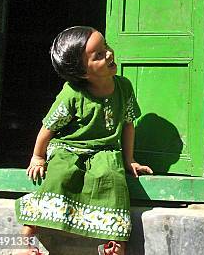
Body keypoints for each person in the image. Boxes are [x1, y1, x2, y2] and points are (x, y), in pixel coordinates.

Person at [15, 26, 153, 255]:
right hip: (69, 147)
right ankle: (27, 240)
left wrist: (129, 160)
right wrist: (38, 156)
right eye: (98, 55)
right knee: (60, 175)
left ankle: (116, 244)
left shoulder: (124, 86)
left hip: (105, 151)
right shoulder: (72, 93)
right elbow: (48, 128)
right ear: (82, 73)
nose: (108, 54)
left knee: (113, 180)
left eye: (106, 47)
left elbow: (129, 123)